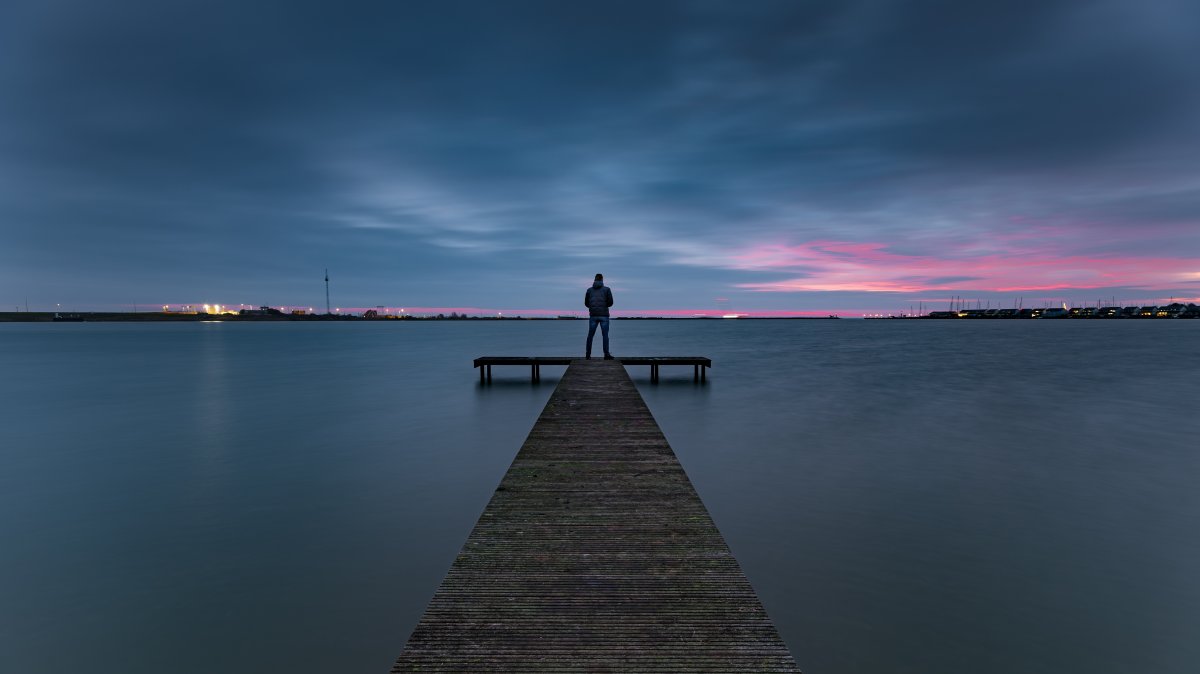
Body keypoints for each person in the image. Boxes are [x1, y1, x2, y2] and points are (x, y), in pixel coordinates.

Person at [584, 273, 614, 359]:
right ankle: (606, 354)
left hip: (593, 315)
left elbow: (586, 303)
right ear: (602, 280)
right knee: (605, 335)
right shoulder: (607, 289)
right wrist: (604, 306)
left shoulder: (589, 290)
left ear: (594, 279)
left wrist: (592, 307)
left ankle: (588, 355)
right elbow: (611, 303)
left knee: (590, 335)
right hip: (604, 315)